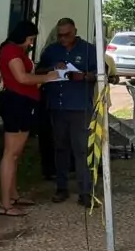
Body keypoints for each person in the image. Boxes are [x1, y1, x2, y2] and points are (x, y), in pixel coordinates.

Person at [0, 21, 58, 217]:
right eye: (30, 39)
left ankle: (13, 195)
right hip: (17, 103)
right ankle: (5, 204)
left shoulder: (14, 50)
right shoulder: (12, 52)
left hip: (22, 102)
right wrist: (49, 78)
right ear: (23, 36)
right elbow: (22, 78)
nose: (31, 43)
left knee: (16, 154)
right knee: (11, 153)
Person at [38, 18, 98, 207]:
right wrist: (51, 68)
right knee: (60, 148)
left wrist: (84, 76)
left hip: (80, 107)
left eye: (67, 35)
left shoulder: (89, 50)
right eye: (60, 35)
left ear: (75, 31)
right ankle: (61, 188)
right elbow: (38, 70)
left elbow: (101, 74)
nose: (63, 39)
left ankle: (85, 192)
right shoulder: (52, 50)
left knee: (81, 150)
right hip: (57, 106)